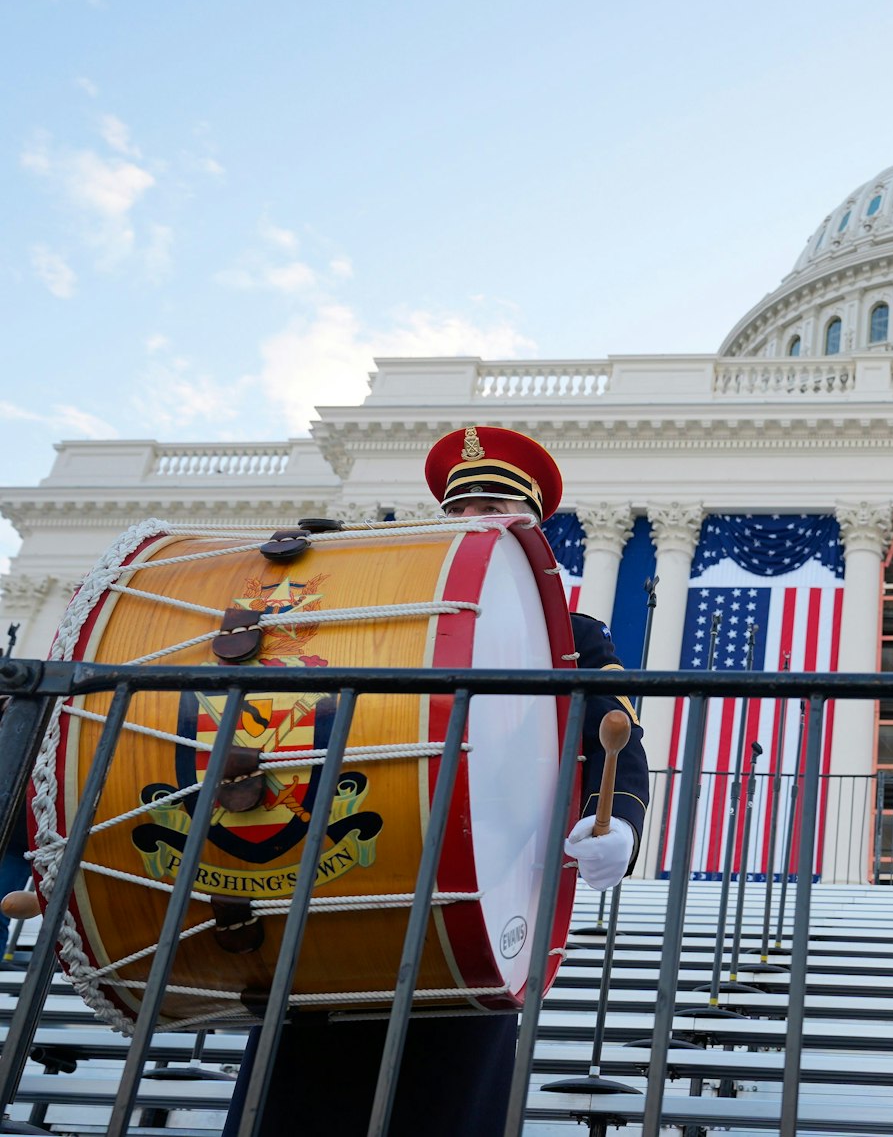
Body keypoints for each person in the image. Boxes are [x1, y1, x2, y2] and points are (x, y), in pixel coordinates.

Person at [223, 425, 649, 1136]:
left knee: (447, 1100)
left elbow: (617, 728)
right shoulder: (367, 620)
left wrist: (622, 820)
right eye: (457, 508)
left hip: (474, 904)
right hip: (346, 881)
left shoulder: (571, 634)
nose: (469, 520)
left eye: (492, 506)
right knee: (293, 1098)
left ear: (530, 532)